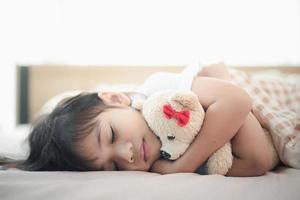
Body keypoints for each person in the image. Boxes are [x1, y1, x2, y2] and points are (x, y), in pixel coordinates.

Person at [20, 62, 279, 176]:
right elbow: (258, 161)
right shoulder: (163, 163)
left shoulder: (160, 91)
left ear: (116, 98)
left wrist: (184, 166)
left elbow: (239, 100)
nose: (126, 155)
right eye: (112, 168)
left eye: (111, 134)